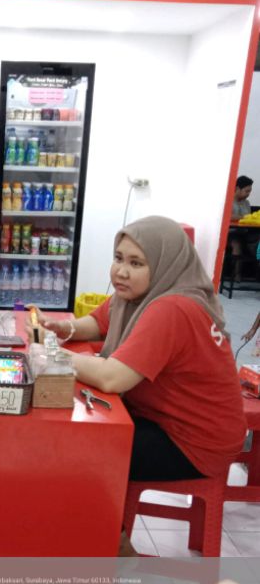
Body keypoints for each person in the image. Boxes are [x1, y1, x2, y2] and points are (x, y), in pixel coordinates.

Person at [34, 216, 247, 555]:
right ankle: (96, 536)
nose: (121, 271)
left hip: (195, 441)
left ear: (164, 264)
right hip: (167, 420)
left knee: (83, 453)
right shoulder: (137, 294)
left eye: (136, 263)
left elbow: (112, 377)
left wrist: (50, 354)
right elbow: (97, 322)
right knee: (83, 433)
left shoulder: (173, 308)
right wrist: (61, 328)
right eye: (119, 258)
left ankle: (113, 547)